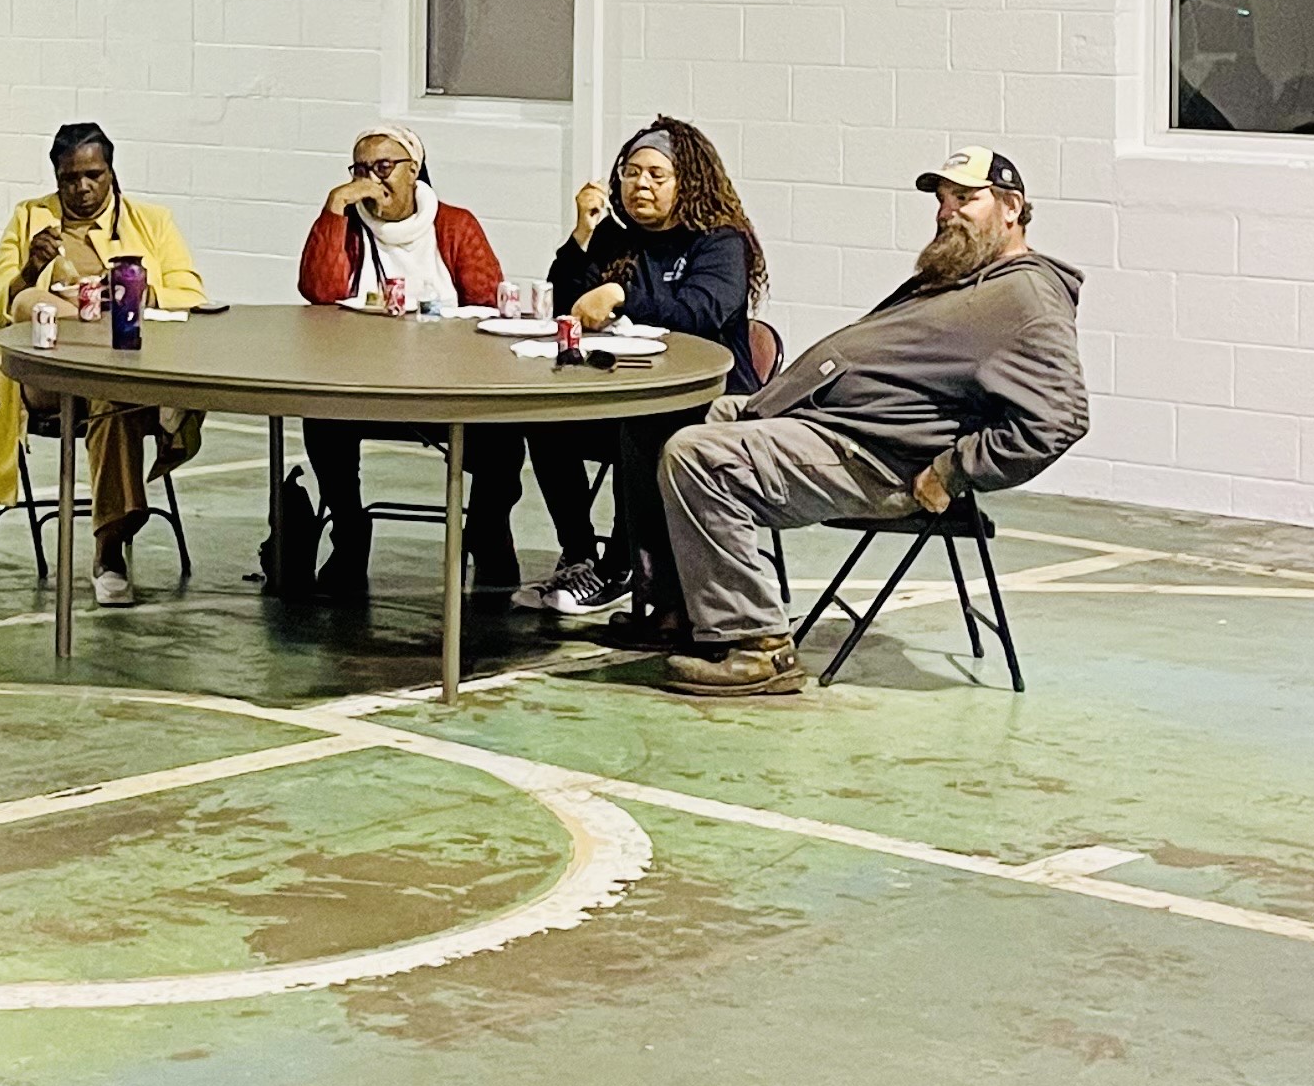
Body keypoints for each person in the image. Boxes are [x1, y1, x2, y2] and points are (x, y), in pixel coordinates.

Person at [656, 144, 1088, 700]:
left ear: (1011, 208)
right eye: (941, 198)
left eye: (965, 198)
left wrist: (955, 470)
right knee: (690, 417)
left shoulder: (1027, 295)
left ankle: (757, 648)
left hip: (877, 457)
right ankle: (678, 607)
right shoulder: (970, 277)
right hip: (836, 428)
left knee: (700, 457)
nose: (945, 210)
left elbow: (1062, 416)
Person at [514, 118, 764, 625]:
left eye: (655, 175)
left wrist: (626, 296)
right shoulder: (619, 240)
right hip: (625, 387)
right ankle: (580, 556)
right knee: (543, 418)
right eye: (630, 173)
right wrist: (582, 238)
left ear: (686, 183)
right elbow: (567, 302)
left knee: (642, 427)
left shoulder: (719, 242)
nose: (639, 185)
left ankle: (625, 569)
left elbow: (703, 310)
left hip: (705, 404)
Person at [0, 124, 205, 607]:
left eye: (93, 175)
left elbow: (191, 296)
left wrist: (129, 293)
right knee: (35, 304)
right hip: (46, 376)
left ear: (111, 172)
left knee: (112, 397)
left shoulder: (152, 221)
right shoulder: (29, 218)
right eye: (69, 178)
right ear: (56, 177)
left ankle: (109, 550)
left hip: (124, 368)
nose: (81, 188)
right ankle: (117, 533)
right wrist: (27, 273)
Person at [292, 126, 515, 597]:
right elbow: (319, 291)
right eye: (360, 169)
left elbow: (489, 301)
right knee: (322, 418)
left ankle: (487, 532)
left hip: (446, 383)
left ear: (413, 171)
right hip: (366, 381)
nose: (371, 181)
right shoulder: (348, 226)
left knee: (503, 436)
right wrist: (334, 209)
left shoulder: (455, 224)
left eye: (383, 168)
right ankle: (349, 533)